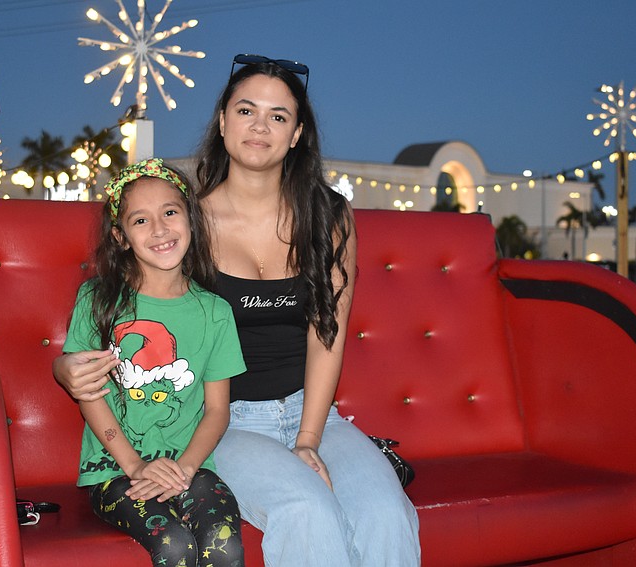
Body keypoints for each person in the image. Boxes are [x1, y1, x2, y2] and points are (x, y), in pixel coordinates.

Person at [56, 55, 421, 566]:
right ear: (223, 121)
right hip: (222, 420)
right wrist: (69, 365)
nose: (259, 126)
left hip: (314, 413)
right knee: (305, 509)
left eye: (278, 116)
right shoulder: (186, 219)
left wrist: (309, 438)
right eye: (246, 110)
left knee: (386, 511)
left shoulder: (329, 215)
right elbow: (126, 303)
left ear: (296, 134)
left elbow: (327, 333)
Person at [61, 158, 246, 567]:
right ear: (121, 236)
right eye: (140, 220)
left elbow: (217, 411)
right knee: (175, 545)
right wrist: (136, 466)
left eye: (169, 212)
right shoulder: (98, 301)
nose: (160, 229)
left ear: (190, 220)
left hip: (190, 467)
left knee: (224, 541)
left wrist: (183, 469)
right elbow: (90, 395)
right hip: (114, 470)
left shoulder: (216, 312)